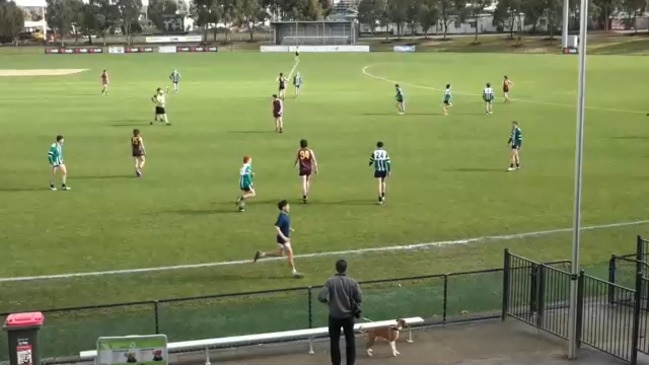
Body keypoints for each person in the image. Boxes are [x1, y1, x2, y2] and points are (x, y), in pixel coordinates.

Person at [318, 259, 362, 365]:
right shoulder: (352, 282)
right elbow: (359, 298)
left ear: (336, 268)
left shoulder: (330, 282)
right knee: (350, 341)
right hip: (348, 316)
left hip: (334, 316)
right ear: (346, 268)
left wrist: (327, 302)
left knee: (334, 342)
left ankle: (336, 363)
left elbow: (321, 296)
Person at [253, 200, 302, 278]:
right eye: (287, 206)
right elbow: (277, 227)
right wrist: (284, 238)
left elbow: (284, 225)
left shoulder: (285, 215)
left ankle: (262, 254)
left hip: (282, 239)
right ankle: (294, 272)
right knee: (290, 254)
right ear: (283, 208)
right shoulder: (282, 217)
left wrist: (289, 228)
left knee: (279, 254)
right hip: (283, 239)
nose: (289, 207)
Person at [294, 139, 318, 203]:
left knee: (303, 181)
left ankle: (304, 195)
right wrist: (316, 169)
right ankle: (306, 194)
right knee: (307, 181)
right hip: (309, 168)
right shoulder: (310, 151)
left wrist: (295, 164)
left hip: (302, 168)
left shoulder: (299, 151)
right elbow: (314, 160)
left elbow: (296, 159)